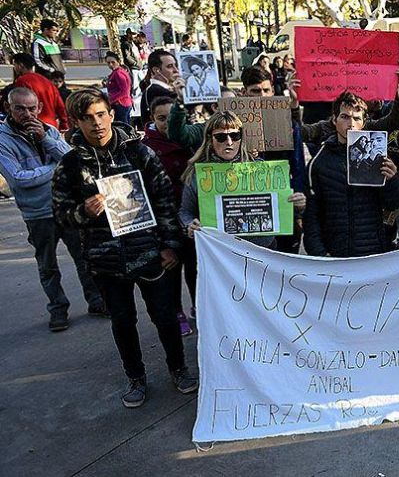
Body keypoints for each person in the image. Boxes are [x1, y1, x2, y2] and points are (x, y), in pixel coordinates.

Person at [51, 88, 197, 408]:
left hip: (150, 254)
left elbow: (164, 201)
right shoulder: (70, 165)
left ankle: (179, 368)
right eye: (87, 118)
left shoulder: (139, 153)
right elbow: (61, 217)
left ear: (112, 114)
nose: (97, 123)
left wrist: (170, 245)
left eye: (101, 115)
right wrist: (83, 212)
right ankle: (135, 376)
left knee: (165, 318)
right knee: (122, 321)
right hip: (106, 262)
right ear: (76, 122)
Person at [0, 87, 107, 331]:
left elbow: (73, 158)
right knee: (47, 265)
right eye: (20, 109)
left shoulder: (48, 131)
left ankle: (96, 300)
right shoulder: (3, 139)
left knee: (83, 257)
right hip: (37, 214)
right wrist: (56, 169)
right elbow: (18, 178)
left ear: (39, 108)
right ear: (8, 108)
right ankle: (58, 309)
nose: (27, 114)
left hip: (66, 207)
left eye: (31, 108)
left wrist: (46, 141)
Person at [180, 111, 305, 249]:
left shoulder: (261, 168)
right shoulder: (197, 174)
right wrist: (190, 225)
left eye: (235, 136)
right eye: (221, 137)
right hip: (219, 252)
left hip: (263, 250)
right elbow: (185, 211)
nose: (229, 142)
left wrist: (298, 205)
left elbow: (280, 205)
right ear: (210, 139)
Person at [303, 92, 399, 257]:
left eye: (356, 118)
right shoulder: (319, 162)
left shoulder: (378, 157)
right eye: (345, 117)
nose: (351, 124)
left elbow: (393, 205)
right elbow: (312, 214)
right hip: (335, 255)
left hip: (373, 253)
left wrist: (392, 180)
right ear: (334, 120)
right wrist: (319, 253)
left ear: (364, 123)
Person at [142, 97, 195, 335]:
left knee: (195, 268)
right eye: (161, 118)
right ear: (152, 119)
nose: (167, 123)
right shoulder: (145, 148)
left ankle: (199, 308)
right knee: (171, 269)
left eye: (172, 117)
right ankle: (177, 312)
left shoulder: (191, 139)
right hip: (165, 219)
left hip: (193, 215)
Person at [10, 53, 69, 132]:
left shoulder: (22, 81)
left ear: (20, 65)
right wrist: (64, 124)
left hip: (34, 125)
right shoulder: (46, 81)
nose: (14, 68)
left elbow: (20, 104)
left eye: (15, 65)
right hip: (51, 126)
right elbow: (60, 105)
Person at [139, 50, 180, 126]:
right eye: (170, 66)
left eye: (176, 65)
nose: (176, 70)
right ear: (156, 70)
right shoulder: (157, 91)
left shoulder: (155, 89)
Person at [105, 52, 134, 122]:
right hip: (123, 103)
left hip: (121, 103)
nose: (111, 65)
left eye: (113, 62)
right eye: (108, 63)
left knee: (123, 126)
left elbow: (124, 91)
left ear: (118, 61)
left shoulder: (118, 73)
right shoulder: (118, 71)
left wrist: (110, 100)